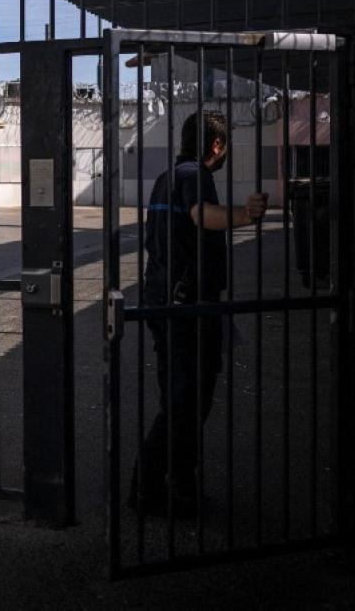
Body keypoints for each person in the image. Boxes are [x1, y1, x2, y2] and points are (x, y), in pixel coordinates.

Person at [129, 111, 268, 517]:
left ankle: (179, 486)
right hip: (186, 307)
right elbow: (201, 214)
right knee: (186, 402)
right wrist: (246, 215)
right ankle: (148, 488)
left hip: (165, 301)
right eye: (226, 145)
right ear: (217, 145)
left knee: (182, 399)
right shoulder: (195, 176)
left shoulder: (167, 177)